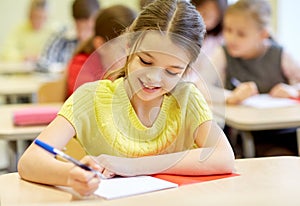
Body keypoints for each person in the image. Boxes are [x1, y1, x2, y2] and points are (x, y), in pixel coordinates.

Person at [18, 0, 235, 196]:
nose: (153, 78)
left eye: (172, 71)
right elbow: (30, 161)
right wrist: (70, 175)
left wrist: (132, 166)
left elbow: (224, 157)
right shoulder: (91, 97)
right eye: (145, 61)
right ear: (129, 46)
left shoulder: (187, 99)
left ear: (187, 70)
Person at [210, 0, 300, 156]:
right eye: (228, 29)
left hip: (283, 132)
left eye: (241, 34)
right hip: (240, 137)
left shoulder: (280, 54)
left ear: (263, 35)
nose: (231, 38)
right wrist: (231, 97)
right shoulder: (222, 54)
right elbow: (200, 86)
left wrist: (292, 90)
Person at [66, 5, 137, 97]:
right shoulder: (82, 66)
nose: (130, 58)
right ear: (100, 45)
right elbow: (88, 102)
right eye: (123, 50)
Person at [36, 0, 100, 72]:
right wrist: (65, 70)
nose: (82, 34)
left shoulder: (102, 40)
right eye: (79, 27)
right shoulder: (61, 36)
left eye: (87, 28)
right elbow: (42, 63)